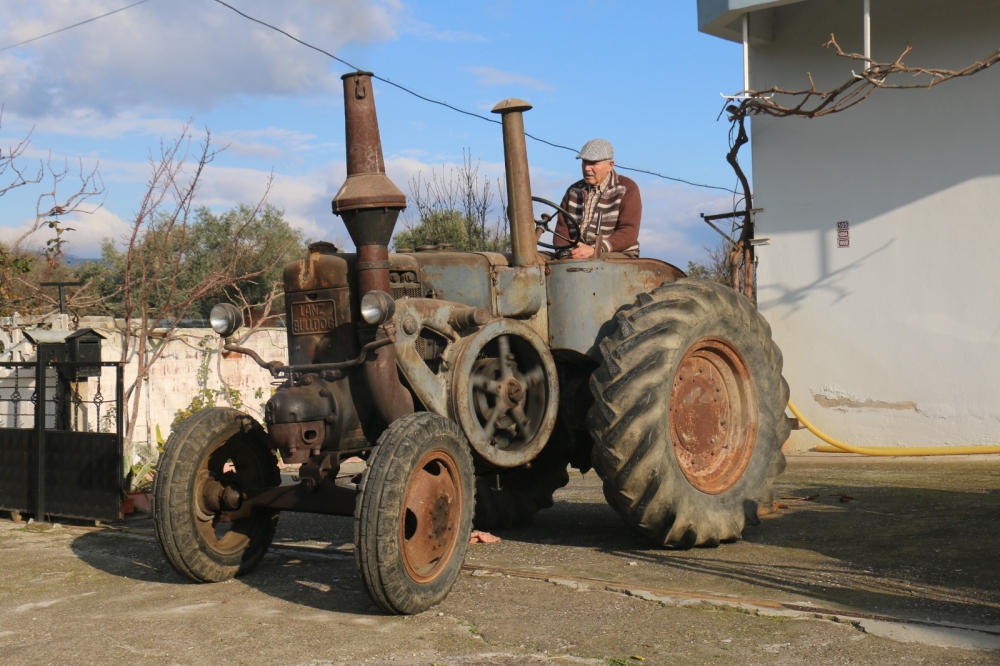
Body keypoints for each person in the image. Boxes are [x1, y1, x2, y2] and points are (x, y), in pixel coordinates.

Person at [553, 138, 641, 259]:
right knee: (536, 260)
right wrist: (565, 254)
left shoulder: (627, 188)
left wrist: (594, 249)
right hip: (576, 254)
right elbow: (562, 230)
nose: (586, 168)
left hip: (616, 253)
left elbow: (628, 232)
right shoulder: (573, 191)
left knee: (590, 264)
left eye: (593, 163)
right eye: (584, 162)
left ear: (610, 165)